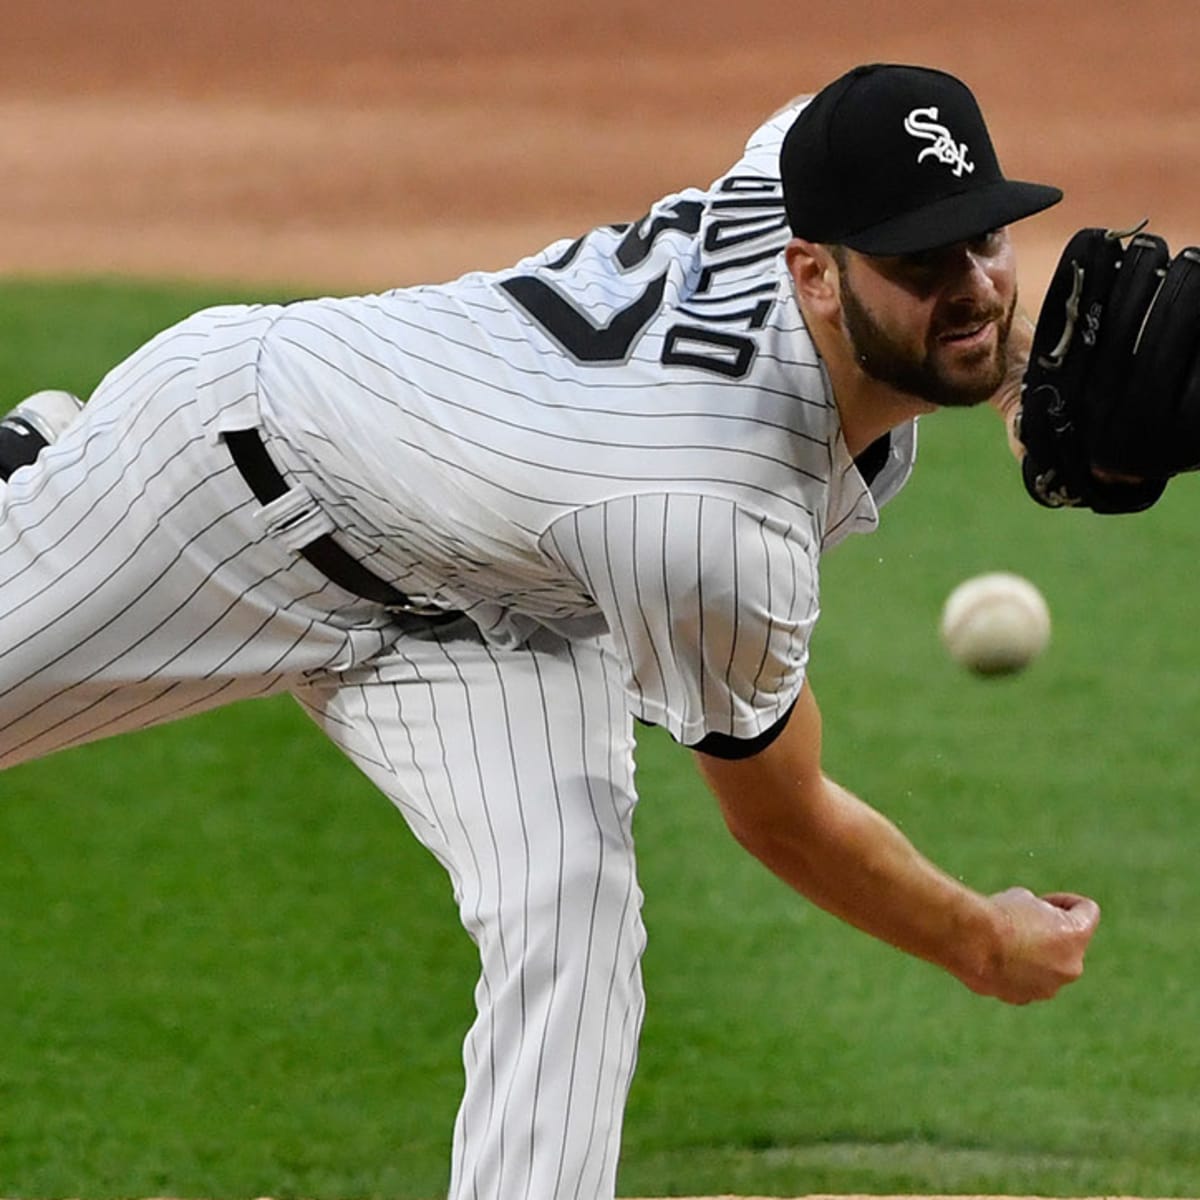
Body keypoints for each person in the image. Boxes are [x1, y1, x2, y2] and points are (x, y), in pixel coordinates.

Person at [1, 63, 1100, 1200]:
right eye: (922, 260)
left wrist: (1021, 380)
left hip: (505, 596)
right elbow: (784, 817)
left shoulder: (799, 170)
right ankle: (53, 473)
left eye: (986, 239)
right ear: (814, 275)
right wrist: (979, 939)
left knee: (572, 909)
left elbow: (824, 130)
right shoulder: (706, 516)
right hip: (222, 485)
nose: (972, 283)